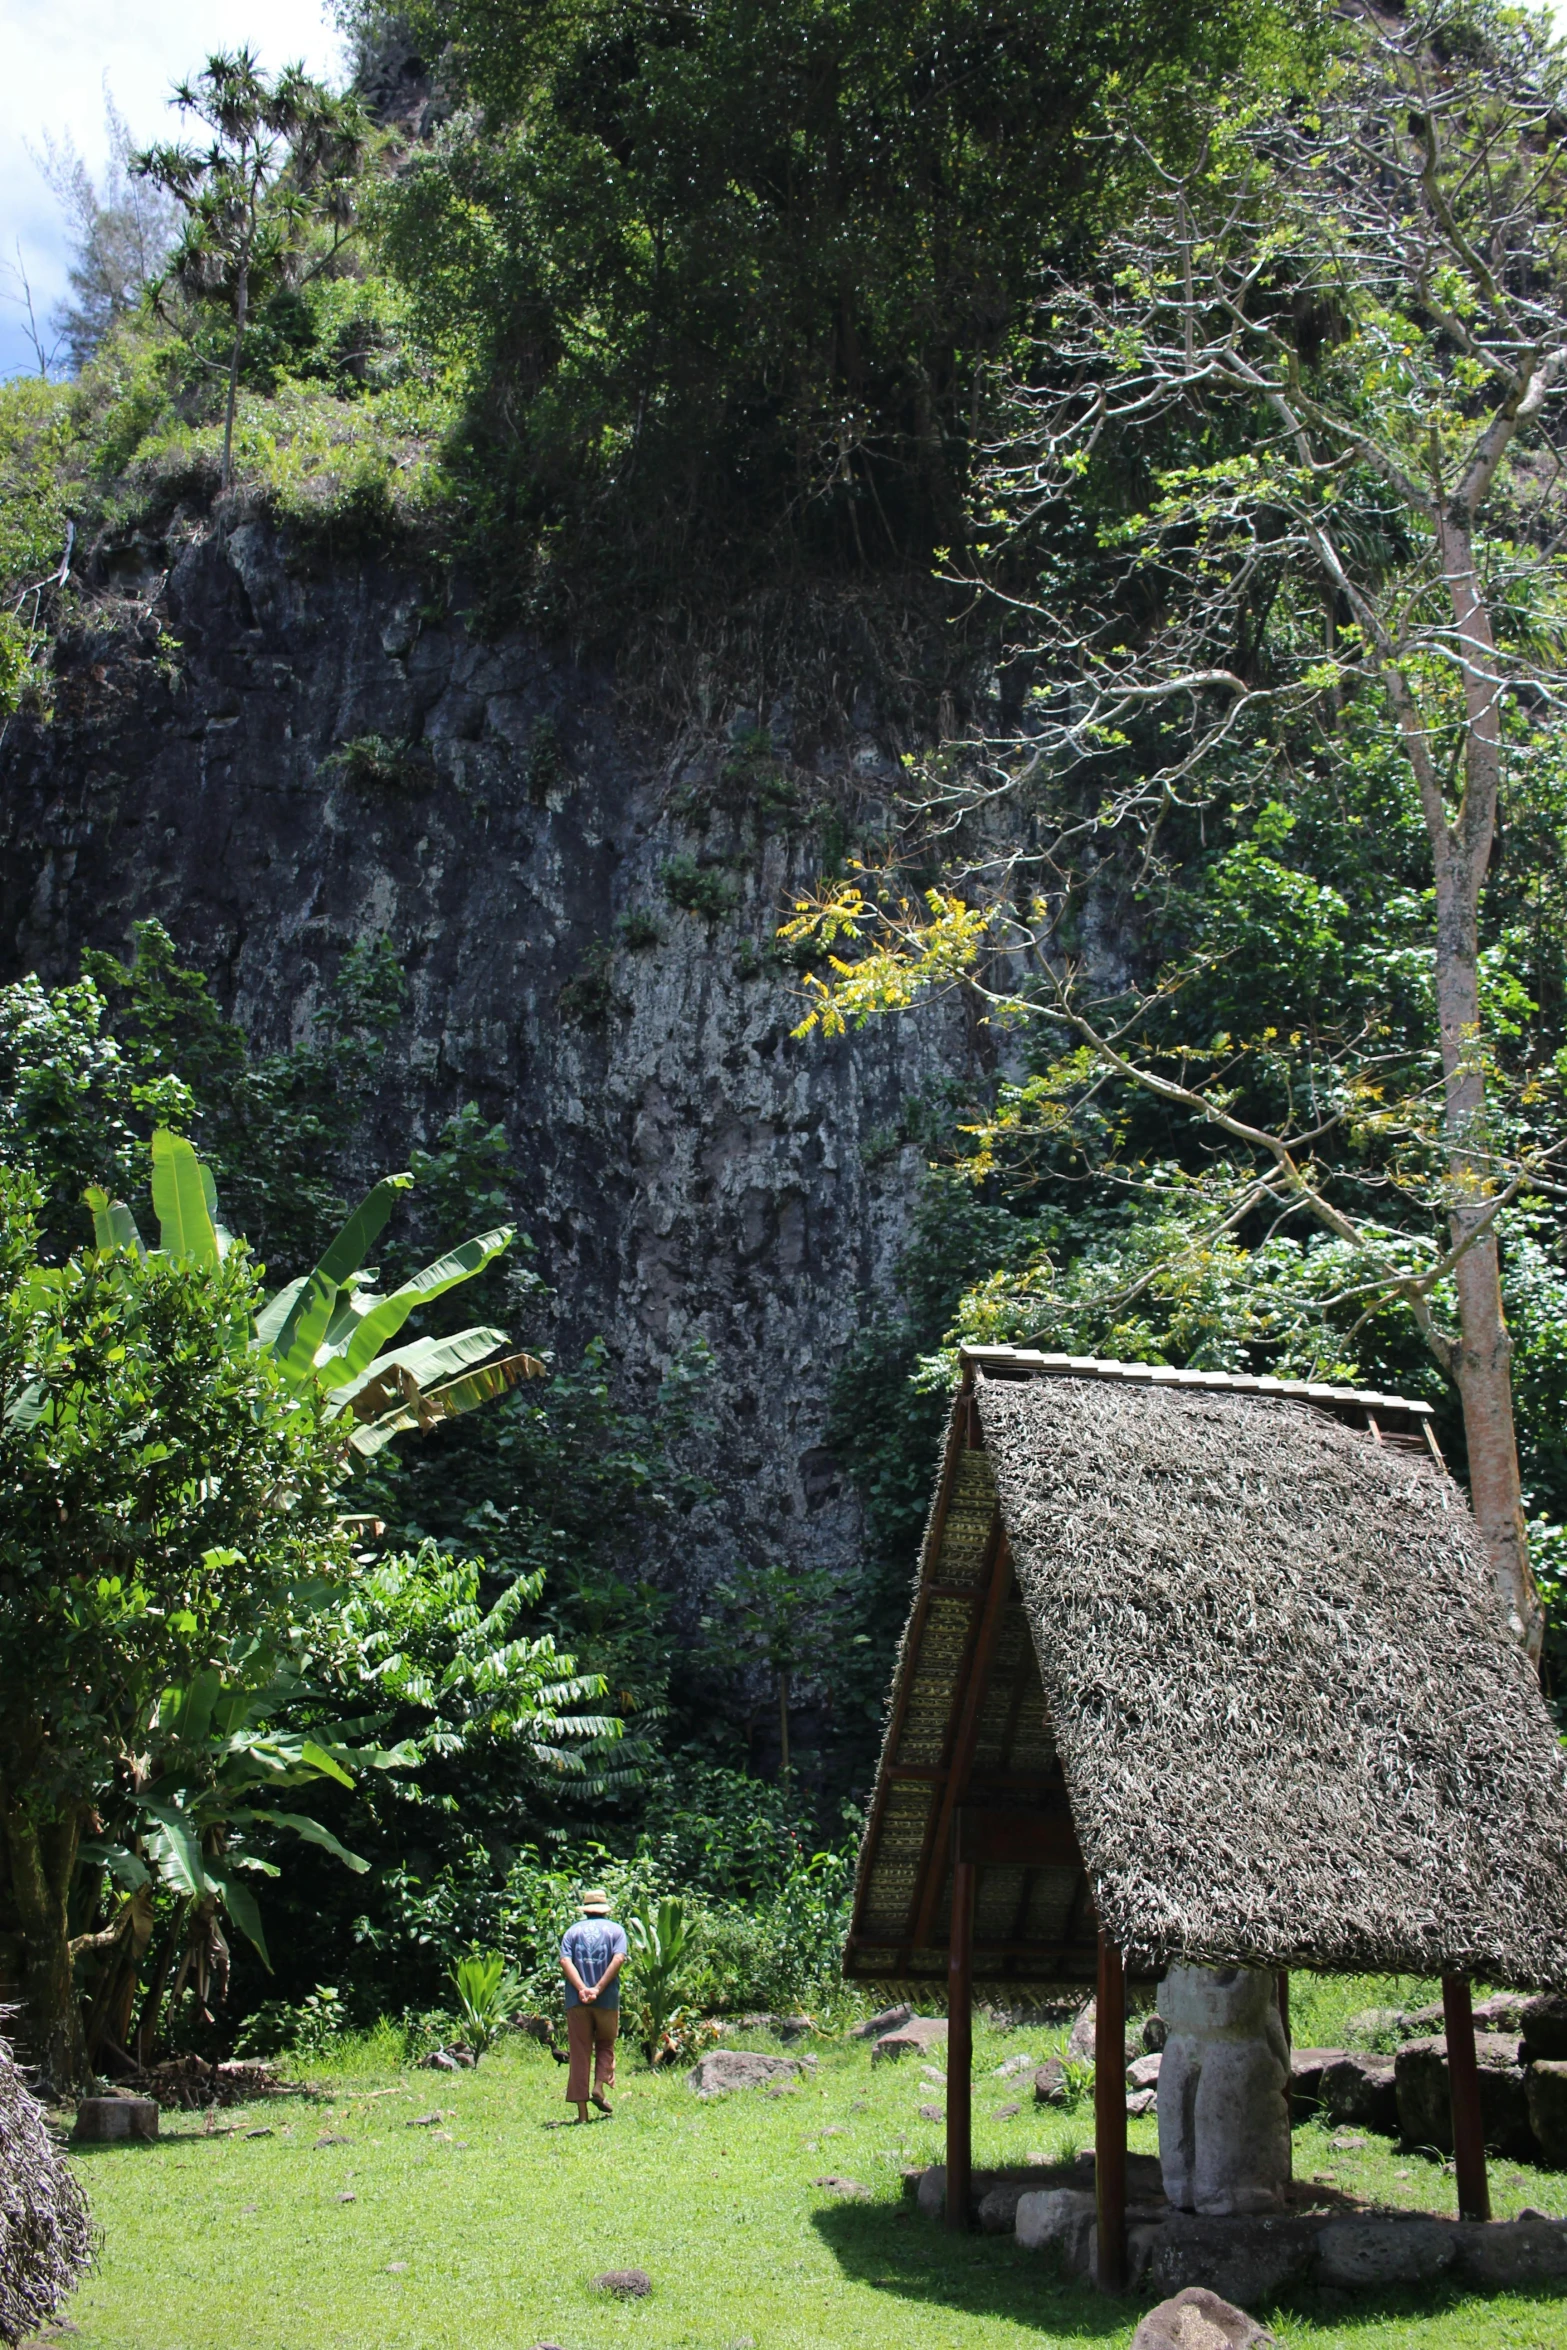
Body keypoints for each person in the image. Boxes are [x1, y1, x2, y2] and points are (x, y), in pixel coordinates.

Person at [560, 1886, 627, 2122]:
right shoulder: (616, 1931)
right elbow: (618, 1958)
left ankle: (582, 2114)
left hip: (576, 2001)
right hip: (606, 2000)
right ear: (605, 1909)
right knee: (606, 2043)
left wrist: (582, 1989)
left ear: (586, 1910)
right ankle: (598, 2086)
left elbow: (564, 1960)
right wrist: (598, 1988)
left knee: (579, 2052)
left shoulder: (572, 1932)